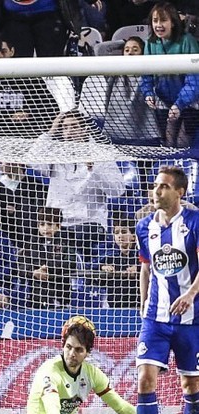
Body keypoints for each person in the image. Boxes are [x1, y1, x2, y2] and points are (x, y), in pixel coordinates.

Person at [24, 315, 183, 414]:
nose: (72, 354)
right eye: (68, 347)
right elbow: (51, 401)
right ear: (63, 345)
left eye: (79, 350)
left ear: (88, 352)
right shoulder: (49, 369)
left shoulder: (92, 373)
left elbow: (121, 406)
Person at [126, 165, 199, 414]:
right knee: (144, 379)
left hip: (191, 320)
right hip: (155, 318)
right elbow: (146, 266)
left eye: (164, 186)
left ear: (180, 192)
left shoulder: (194, 222)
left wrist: (190, 294)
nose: (157, 191)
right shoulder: (144, 226)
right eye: (156, 185)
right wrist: (143, 300)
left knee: (191, 386)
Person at [29, 110, 125, 263]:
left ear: (85, 128)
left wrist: (95, 169)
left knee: (65, 239)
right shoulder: (56, 153)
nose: (69, 131)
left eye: (74, 126)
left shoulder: (101, 154)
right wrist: (51, 132)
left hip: (89, 223)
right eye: (65, 127)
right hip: (57, 223)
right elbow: (32, 160)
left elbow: (117, 190)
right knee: (31, 244)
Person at [0, 34, 60, 138]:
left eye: (3, 52)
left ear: (12, 51)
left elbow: (53, 111)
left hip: (25, 138)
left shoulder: (29, 77)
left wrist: (29, 113)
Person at [79, 36, 161, 146]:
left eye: (135, 50)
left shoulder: (149, 75)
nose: (130, 53)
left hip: (145, 135)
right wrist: (122, 42)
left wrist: (145, 45)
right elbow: (100, 49)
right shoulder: (114, 72)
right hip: (116, 133)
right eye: (127, 50)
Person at [139, 2, 199, 148]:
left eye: (163, 20)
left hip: (190, 104)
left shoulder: (188, 42)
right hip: (164, 103)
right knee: (168, 145)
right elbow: (146, 74)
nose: (158, 25)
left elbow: (194, 81)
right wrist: (147, 93)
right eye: (155, 21)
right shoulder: (150, 44)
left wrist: (179, 104)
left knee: (182, 144)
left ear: (172, 22)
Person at [0, 162, 47, 250]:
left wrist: (19, 211)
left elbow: (40, 216)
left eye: (2, 161)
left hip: (30, 244)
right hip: (1, 246)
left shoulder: (37, 187)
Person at [17, 206, 76, 309]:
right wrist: (34, 272)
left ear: (58, 226)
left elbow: (70, 262)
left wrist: (47, 268)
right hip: (36, 294)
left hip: (60, 292)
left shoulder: (66, 242)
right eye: (42, 224)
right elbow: (21, 265)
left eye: (49, 224)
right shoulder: (32, 242)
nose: (45, 228)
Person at [90, 211, 139, 309]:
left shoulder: (140, 255)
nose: (120, 236)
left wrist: (138, 268)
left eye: (124, 232)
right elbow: (91, 265)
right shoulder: (110, 256)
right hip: (115, 307)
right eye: (116, 233)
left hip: (138, 305)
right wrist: (102, 267)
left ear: (133, 236)